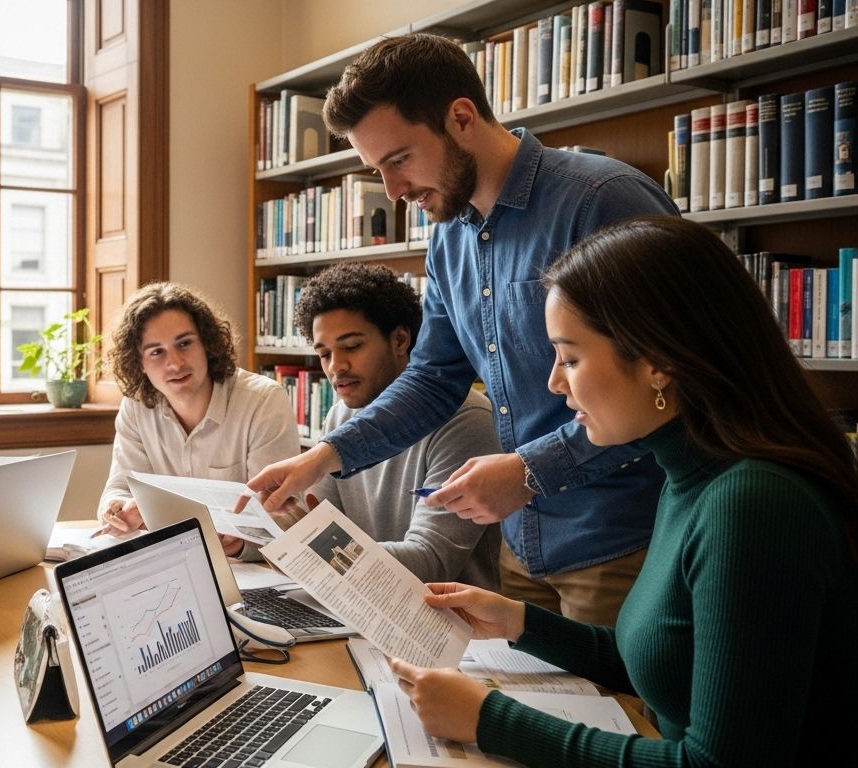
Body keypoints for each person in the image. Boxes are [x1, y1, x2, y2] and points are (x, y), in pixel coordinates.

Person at [390, 216, 858, 765]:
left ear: (658, 362)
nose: (555, 383)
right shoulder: (690, 473)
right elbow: (669, 660)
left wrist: (489, 719)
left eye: (570, 358)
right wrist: (518, 622)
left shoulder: (750, 504)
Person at [248, 33, 679, 624]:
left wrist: (529, 471)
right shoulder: (449, 237)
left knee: (616, 715)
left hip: (619, 540)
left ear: (461, 117)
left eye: (398, 160)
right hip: (521, 547)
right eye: (378, 169)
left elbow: (672, 384)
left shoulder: (601, 201)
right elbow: (432, 379)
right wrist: (325, 456)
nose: (394, 192)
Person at [291, 263, 501, 587]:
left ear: (400, 340)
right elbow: (315, 524)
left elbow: (431, 560)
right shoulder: (339, 416)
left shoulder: (466, 419)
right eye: (324, 354)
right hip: (362, 604)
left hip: (454, 626)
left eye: (351, 347)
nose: (336, 367)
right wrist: (270, 531)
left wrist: (310, 548)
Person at [95, 282, 299, 555]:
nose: (175, 363)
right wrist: (116, 508)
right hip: (172, 562)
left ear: (207, 343)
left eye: (184, 343)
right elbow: (120, 486)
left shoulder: (262, 401)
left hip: (247, 573)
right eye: (157, 352)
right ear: (139, 363)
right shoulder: (135, 407)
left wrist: (240, 543)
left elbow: (285, 517)